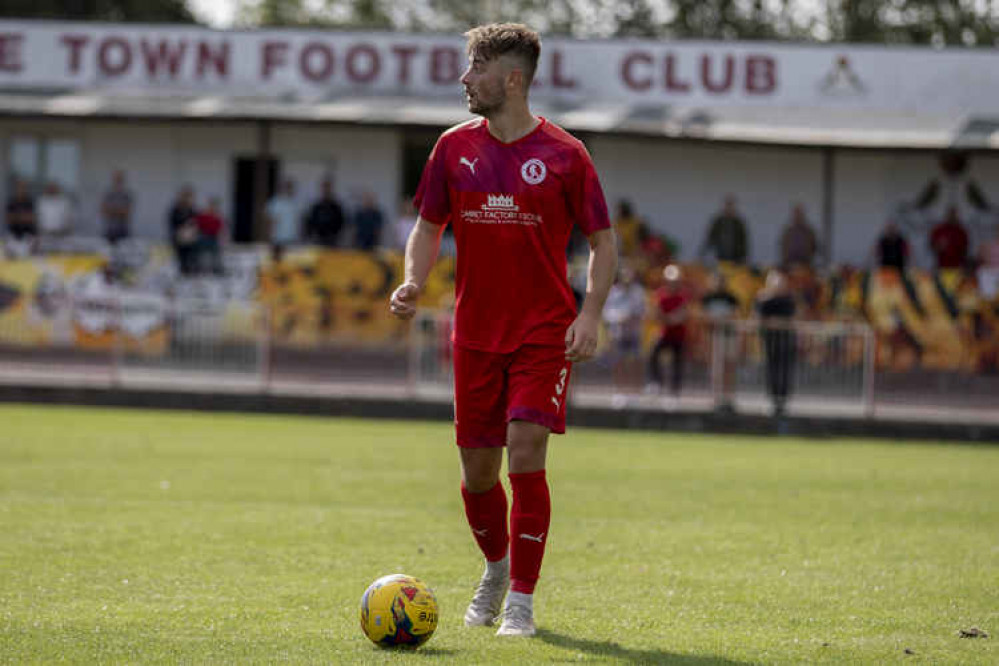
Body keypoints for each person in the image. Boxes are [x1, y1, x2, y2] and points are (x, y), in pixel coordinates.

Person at [388, 23, 616, 638]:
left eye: (475, 68)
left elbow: (602, 239)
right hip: (475, 333)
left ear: (511, 80)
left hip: (543, 332)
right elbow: (429, 226)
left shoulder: (568, 155)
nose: (465, 79)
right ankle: (496, 567)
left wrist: (589, 312)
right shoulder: (451, 148)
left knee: (526, 450)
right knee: (478, 475)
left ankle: (521, 600)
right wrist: (413, 279)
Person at [602, 266, 646, 406]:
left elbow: (642, 312)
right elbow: (607, 313)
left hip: (633, 334)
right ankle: (620, 392)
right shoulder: (613, 293)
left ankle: (635, 393)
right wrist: (619, 318)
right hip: (618, 334)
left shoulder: (638, 292)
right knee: (618, 363)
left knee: (635, 363)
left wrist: (630, 318)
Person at [756, 269, 797, 417]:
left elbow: (791, 320)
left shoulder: (788, 300)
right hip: (770, 342)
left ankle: (783, 401)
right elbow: (761, 320)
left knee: (785, 372)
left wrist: (776, 322)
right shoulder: (763, 299)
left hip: (786, 342)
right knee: (771, 372)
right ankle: (774, 401)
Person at [647, 264, 688, 400]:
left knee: (677, 362)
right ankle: (656, 383)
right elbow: (656, 315)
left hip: (679, 335)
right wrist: (669, 318)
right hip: (665, 333)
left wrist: (667, 318)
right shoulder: (661, 295)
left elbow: (681, 317)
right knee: (653, 354)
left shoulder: (682, 296)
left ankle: (675, 390)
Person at [701, 273, 740, 412]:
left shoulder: (731, 298)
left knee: (728, 368)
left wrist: (723, 318)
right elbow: (704, 316)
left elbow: (735, 315)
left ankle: (728, 398)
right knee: (715, 369)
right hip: (713, 337)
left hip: (728, 336)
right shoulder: (707, 298)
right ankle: (716, 398)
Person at [701, 195, 748, 265]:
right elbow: (710, 238)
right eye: (728, 205)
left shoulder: (738, 223)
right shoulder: (718, 221)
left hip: (736, 259)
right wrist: (703, 254)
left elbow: (744, 241)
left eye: (731, 206)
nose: (729, 208)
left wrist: (744, 257)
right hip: (720, 256)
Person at [305, 178, 345, 247]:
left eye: (328, 187)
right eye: (324, 187)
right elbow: (310, 221)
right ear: (321, 189)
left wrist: (336, 234)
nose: (326, 190)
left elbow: (341, 221)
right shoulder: (316, 206)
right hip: (318, 238)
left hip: (332, 239)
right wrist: (311, 234)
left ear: (331, 189)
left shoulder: (336, 206)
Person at [168, 186, 198, 275]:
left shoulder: (192, 210)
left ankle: (191, 268)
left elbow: (195, 224)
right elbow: (172, 223)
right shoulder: (176, 209)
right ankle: (183, 268)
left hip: (189, 237)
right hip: (178, 236)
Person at [194, 197, 226, 276]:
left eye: (215, 206)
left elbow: (220, 229)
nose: (213, 208)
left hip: (213, 237)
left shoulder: (217, 217)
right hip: (203, 236)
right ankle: (200, 268)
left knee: (216, 252)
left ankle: (216, 268)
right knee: (202, 253)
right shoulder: (203, 215)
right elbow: (197, 225)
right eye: (212, 206)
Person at [780, 203, 818, 269]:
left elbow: (814, 247)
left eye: (800, 214)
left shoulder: (809, 232)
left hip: (805, 265)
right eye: (796, 214)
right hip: (789, 265)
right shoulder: (788, 232)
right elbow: (783, 248)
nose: (798, 216)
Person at [265, 179, 300, 250]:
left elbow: (298, 222)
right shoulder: (275, 202)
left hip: (293, 239)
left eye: (291, 187)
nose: (289, 189)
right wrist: (269, 239)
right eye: (287, 187)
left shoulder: (295, 203)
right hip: (278, 240)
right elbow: (270, 221)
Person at [101, 169, 133, 244]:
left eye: (119, 179)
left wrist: (112, 210)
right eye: (116, 179)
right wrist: (119, 210)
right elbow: (103, 211)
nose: (117, 181)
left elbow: (127, 213)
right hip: (109, 231)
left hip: (123, 231)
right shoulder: (108, 195)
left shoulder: (126, 195)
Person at [977, 224, 999, 301]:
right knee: (982, 271)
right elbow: (982, 258)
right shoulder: (989, 245)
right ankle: (988, 297)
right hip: (990, 271)